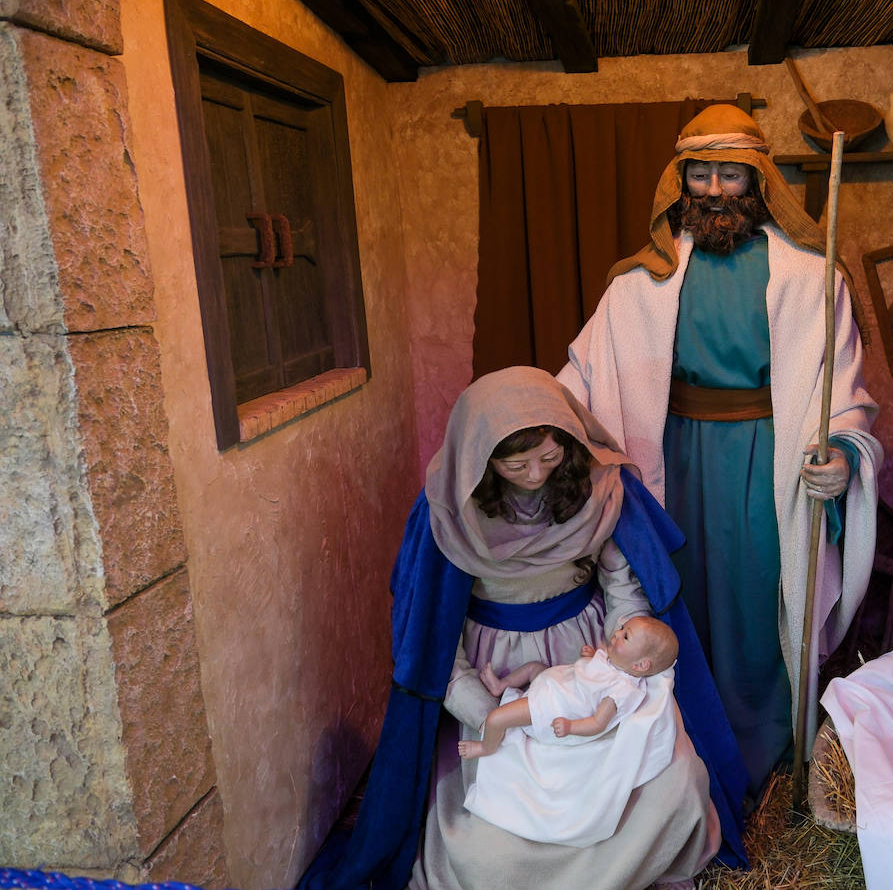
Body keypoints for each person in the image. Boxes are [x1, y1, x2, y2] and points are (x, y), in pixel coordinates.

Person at [300, 366, 747, 890]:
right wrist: (492, 713)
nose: (536, 474)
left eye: (549, 457)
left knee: (674, 785)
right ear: (482, 461)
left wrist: (623, 655)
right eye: (516, 463)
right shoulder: (448, 510)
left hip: (590, 654)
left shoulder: (599, 488)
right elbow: (430, 636)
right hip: (498, 670)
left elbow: (623, 585)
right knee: (486, 852)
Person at [557, 103, 883, 799]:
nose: (711, 189)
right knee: (676, 594)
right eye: (698, 174)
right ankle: (675, 742)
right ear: (679, 182)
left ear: (757, 179)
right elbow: (583, 378)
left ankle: (764, 745)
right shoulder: (639, 280)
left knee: (760, 595)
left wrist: (843, 455)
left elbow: (844, 391)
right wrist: (533, 424)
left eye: (728, 175)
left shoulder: (809, 276)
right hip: (670, 461)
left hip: (769, 463)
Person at [458, 616, 679, 758]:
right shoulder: (615, 660)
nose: (616, 633)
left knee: (497, 718)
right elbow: (594, 676)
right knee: (534, 667)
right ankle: (501, 686)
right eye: (621, 628)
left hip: (556, 706)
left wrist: (570, 726)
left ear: (640, 664)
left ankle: (487, 747)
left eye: (625, 636)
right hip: (558, 681)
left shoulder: (621, 690)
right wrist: (590, 657)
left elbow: (598, 723)